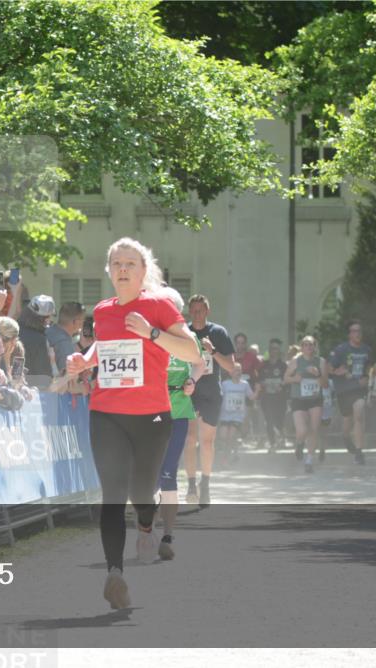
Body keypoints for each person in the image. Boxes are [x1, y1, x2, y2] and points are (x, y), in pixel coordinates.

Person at [66, 237, 201, 610]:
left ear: (143, 271)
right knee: (112, 493)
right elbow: (104, 346)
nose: (123, 270)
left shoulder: (158, 306)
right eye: (116, 264)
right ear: (109, 271)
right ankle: (115, 574)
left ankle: (147, 522)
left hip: (153, 415)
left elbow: (192, 351)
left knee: (142, 493)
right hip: (106, 412)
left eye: (130, 264)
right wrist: (84, 361)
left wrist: (151, 333)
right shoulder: (103, 310)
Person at [153, 286, 205, 561]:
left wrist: (192, 381)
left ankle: (168, 534)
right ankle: (146, 529)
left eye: (171, 309)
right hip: (150, 410)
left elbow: (201, 363)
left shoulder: (189, 339)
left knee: (169, 473)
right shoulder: (150, 337)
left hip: (179, 410)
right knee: (151, 472)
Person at [183, 295, 235, 507]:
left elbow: (231, 367)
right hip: (188, 391)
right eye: (193, 310)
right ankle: (191, 484)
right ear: (189, 312)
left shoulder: (218, 332)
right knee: (190, 438)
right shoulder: (183, 332)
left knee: (206, 441)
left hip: (211, 392)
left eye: (200, 310)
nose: (196, 314)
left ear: (207, 311)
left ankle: (205, 484)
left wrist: (212, 351)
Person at [327, 320, 371, 464]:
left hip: (358, 390)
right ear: (349, 334)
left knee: (359, 415)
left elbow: (368, 369)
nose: (357, 334)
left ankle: (359, 452)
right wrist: (337, 371)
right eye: (354, 331)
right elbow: (328, 368)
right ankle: (345, 437)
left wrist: (366, 378)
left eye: (359, 331)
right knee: (347, 421)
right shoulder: (341, 350)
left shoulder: (366, 350)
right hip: (344, 391)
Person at [285, 336, 328, 473]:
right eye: (306, 344)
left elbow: (325, 384)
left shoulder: (321, 362)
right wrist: (294, 379)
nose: (309, 347)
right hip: (299, 399)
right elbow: (285, 378)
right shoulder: (296, 361)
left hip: (315, 399)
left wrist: (318, 375)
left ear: (315, 347)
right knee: (302, 430)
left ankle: (309, 460)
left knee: (314, 429)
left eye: (312, 345)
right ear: (302, 347)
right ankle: (299, 443)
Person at [219, 363, 258, 463]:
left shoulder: (244, 384)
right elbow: (219, 397)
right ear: (230, 372)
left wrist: (258, 390)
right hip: (225, 415)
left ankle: (226, 457)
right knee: (223, 436)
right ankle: (235, 451)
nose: (238, 372)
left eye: (240, 370)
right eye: (236, 370)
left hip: (238, 416)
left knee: (230, 435)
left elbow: (251, 397)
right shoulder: (225, 384)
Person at [18, 294, 56, 388]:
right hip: (32, 395)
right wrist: (52, 361)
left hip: (11, 388)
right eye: (49, 317)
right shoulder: (39, 340)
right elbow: (44, 379)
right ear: (45, 318)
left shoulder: (15, 331)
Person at [259, 338, 289, 452]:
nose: (273, 351)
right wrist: (265, 384)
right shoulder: (263, 366)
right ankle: (272, 443)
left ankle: (281, 436)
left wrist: (281, 385)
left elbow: (287, 381)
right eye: (271, 348)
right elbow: (259, 380)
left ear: (279, 350)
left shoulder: (283, 366)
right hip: (267, 398)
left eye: (276, 348)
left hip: (280, 398)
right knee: (269, 421)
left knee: (279, 421)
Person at [46, 301, 86, 385]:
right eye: (82, 320)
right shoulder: (63, 343)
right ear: (75, 322)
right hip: (55, 395)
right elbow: (68, 383)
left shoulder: (48, 332)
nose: (83, 324)